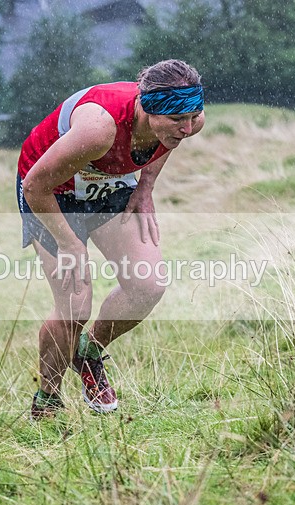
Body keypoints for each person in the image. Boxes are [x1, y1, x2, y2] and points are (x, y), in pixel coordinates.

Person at [17, 60, 205, 418]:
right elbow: (34, 186)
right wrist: (70, 243)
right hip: (49, 191)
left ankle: (89, 353)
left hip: (108, 185)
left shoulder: (188, 122)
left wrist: (146, 186)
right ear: (147, 109)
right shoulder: (98, 128)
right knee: (75, 305)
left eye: (193, 116)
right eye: (177, 118)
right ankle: (48, 399)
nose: (186, 128)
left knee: (147, 285)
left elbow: (167, 142)